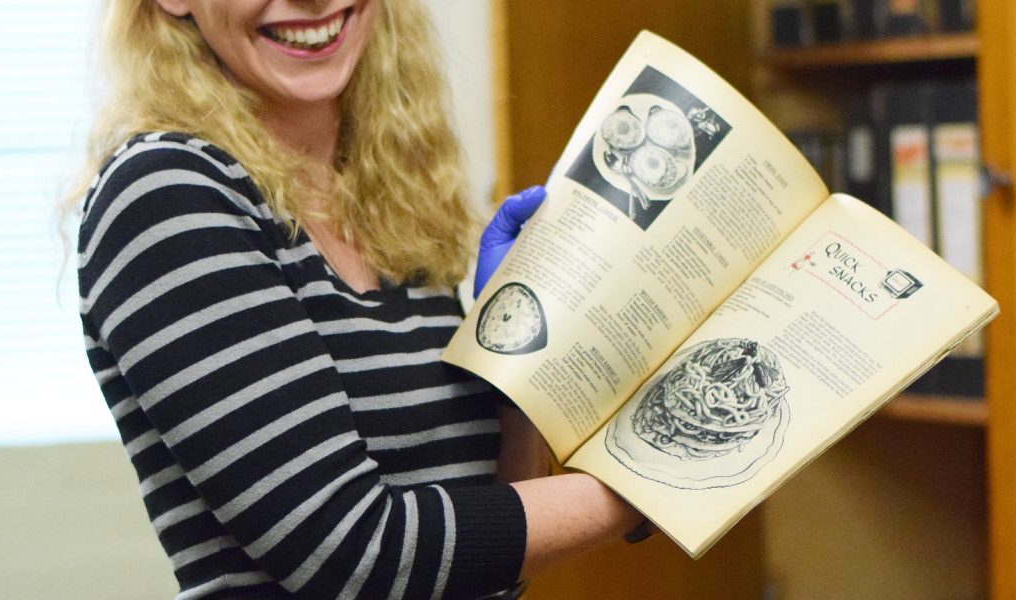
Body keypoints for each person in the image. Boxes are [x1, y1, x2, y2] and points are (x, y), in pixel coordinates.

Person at [62, 1, 650, 598]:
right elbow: (354, 554)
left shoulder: (395, 210)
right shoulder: (166, 197)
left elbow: (481, 571)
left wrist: (514, 369)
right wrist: (649, 485)